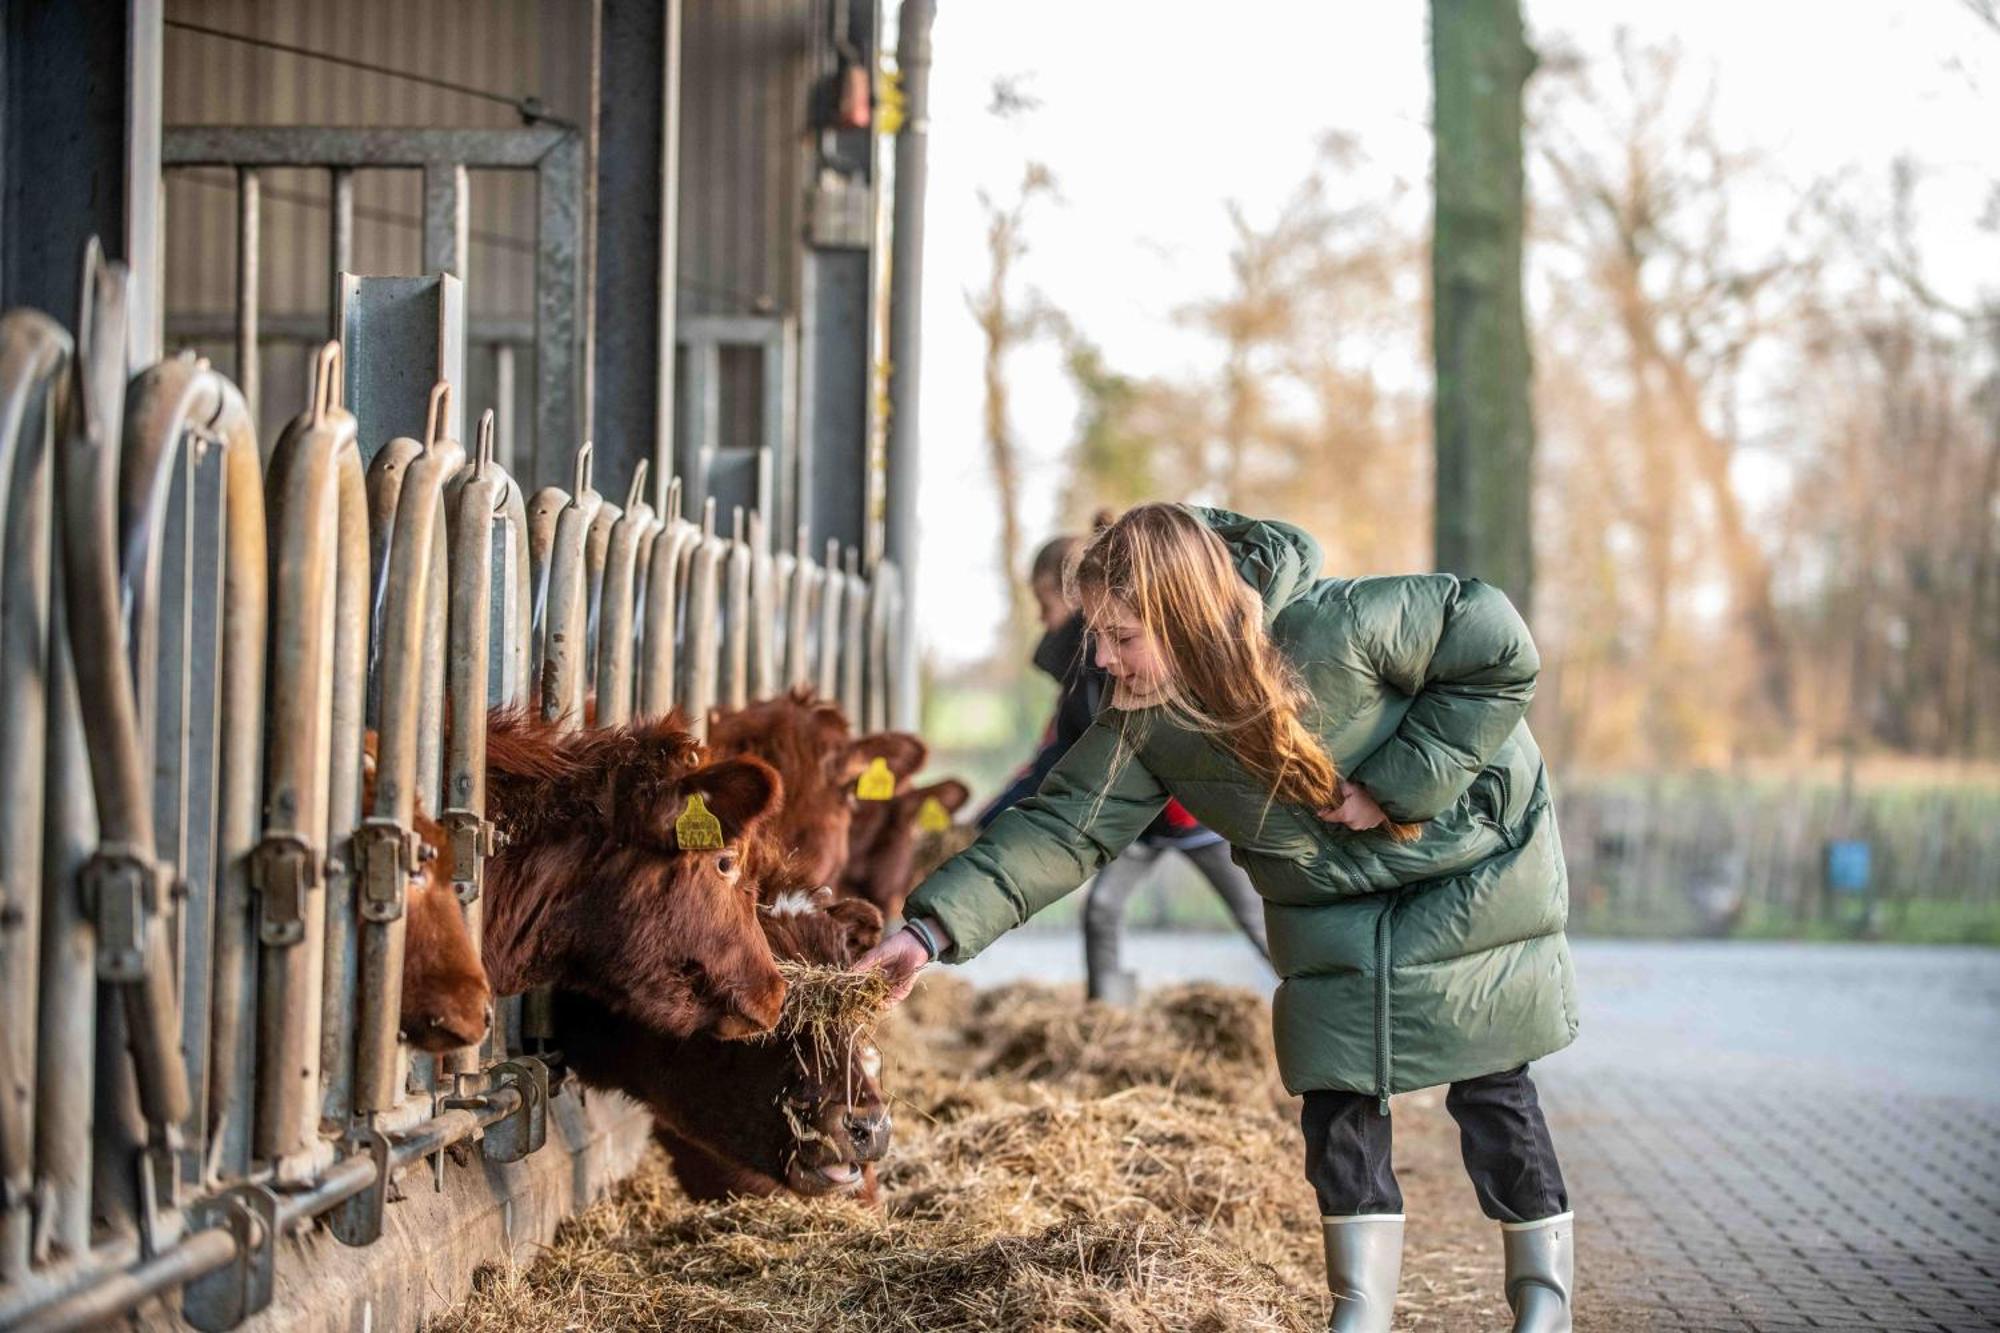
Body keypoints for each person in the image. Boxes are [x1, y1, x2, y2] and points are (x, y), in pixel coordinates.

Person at [859, 504, 1578, 1333]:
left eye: (1122, 635)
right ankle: (1362, 1312)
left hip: (1463, 860)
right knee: (1336, 1099)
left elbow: (1496, 644)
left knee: (1488, 1087)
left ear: (1183, 613)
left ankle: (1542, 1305)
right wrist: (927, 932)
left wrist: (1399, 783)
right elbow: (1062, 826)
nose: (1101, 655)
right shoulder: (1143, 718)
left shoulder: (1337, 626)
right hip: (1330, 897)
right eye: (1097, 633)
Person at [978, 525, 1269, 1004]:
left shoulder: (1152, 654)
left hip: (1201, 819)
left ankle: (1304, 992)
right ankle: (1108, 1017)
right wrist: (990, 819)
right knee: (1102, 907)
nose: (1039, 617)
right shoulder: (1087, 675)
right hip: (1142, 820)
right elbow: (1057, 756)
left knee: (1255, 915)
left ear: (1071, 596)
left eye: (1044, 601)